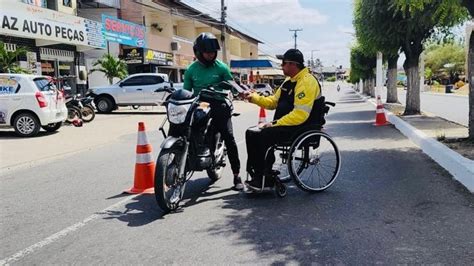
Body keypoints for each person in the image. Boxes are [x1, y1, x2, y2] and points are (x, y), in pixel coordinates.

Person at [240, 49, 322, 190]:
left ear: (293, 64)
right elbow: (272, 102)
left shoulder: (306, 82)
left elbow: (300, 115)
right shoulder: (288, 82)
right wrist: (253, 97)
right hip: (285, 125)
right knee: (251, 133)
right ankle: (258, 174)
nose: (282, 67)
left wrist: (273, 123)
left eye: (283, 64)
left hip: (300, 127)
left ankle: (265, 177)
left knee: (264, 135)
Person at [183, 32, 244, 191]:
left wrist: (239, 91)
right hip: (199, 104)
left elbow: (232, 85)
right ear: (198, 52)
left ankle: (237, 175)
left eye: (213, 52)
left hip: (219, 102)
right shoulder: (191, 70)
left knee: (229, 136)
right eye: (207, 52)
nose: (210, 55)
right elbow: (186, 92)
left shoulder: (222, 67)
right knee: (182, 126)